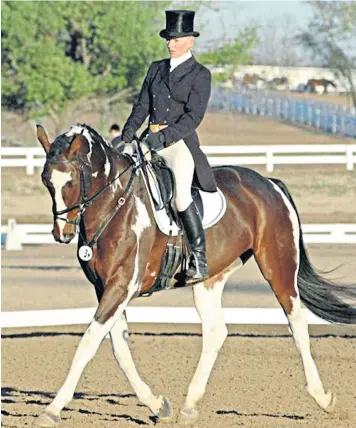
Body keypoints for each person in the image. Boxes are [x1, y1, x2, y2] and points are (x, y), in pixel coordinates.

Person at [121, 10, 217, 284]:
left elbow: (193, 117)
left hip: (178, 144)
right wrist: (128, 134)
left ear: (190, 41)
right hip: (148, 141)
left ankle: (199, 259)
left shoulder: (200, 74)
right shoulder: (156, 68)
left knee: (181, 197)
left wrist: (162, 138)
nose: (169, 43)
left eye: (175, 39)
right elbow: (141, 106)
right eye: (168, 38)